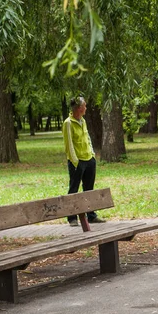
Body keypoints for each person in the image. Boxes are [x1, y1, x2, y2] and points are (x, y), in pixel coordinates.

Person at [62, 96, 105, 226]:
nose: (86, 108)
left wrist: (92, 154)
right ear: (79, 108)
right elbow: (69, 144)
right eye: (84, 106)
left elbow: (88, 138)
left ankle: (91, 215)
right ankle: (72, 218)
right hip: (77, 162)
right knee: (74, 189)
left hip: (89, 159)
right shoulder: (68, 123)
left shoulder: (83, 121)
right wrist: (76, 162)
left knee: (89, 189)